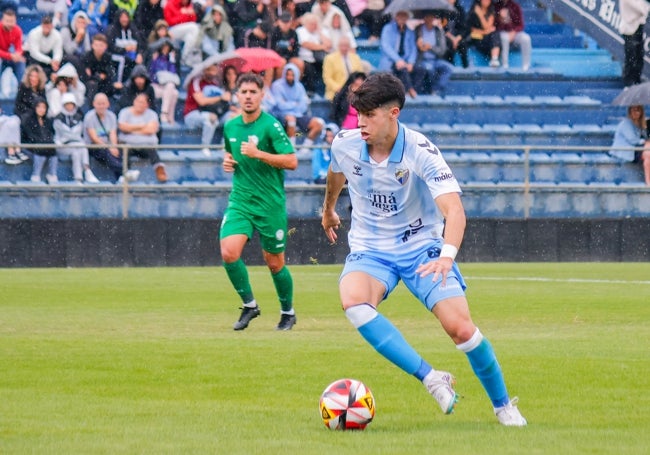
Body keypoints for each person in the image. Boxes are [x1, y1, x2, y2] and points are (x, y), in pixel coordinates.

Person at [320, 72, 527, 426]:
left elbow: (455, 211)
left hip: (421, 248)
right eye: (359, 115)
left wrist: (446, 256)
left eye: (369, 115)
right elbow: (337, 173)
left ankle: (503, 405)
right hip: (371, 248)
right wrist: (328, 210)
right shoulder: (345, 142)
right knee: (353, 302)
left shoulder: (420, 151)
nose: (362, 123)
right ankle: (431, 377)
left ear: (393, 113)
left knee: (460, 329)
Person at [220, 71, 298, 331]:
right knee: (229, 252)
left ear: (262, 96)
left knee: (274, 262)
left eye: (254, 92)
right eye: (244, 92)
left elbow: (291, 161)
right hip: (241, 200)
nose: (249, 97)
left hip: (269, 203)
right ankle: (250, 305)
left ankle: (288, 312)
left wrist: (258, 153)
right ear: (237, 96)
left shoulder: (271, 125)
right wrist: (228, 162)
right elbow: (231, 155)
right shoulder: (230, 126)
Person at [269, 63, 324, 157]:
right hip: (280, 116)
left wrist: (288, 103)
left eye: (292, 75)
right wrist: (295, 104)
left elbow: (303, 106)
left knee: (318, 124)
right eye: (288, 74)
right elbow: (280, 105)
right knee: (291, 120)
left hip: (298, 115)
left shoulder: (300, 87)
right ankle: (291, 149)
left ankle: (305, 149)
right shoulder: (277, 86)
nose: (290, 77)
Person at [84, 92, 140, 183]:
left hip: (108, 144)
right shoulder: (89, 117)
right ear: (94, 104)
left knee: (122, 150)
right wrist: (109, 147)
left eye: (103, 103)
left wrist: (114, 146)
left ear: (108, 104)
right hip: (94, 147)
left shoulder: (111, 116)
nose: (101, 106)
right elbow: (94, 137)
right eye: (99, 104)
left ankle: (121, 177)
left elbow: (112, 134)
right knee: (106, 151)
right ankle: (124, 171)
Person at [117, 92, 168, 182]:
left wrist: (131, 129)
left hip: (146, 146)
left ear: (147, 104)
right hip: (128, 145)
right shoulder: (124, 112)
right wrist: (143, 126)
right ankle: (126, 173)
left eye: (142, 102)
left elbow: (151, 130)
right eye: (138, 101)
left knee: (152, 151)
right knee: (124, 151)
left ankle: (160, 170)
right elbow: (122, 127)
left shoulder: (152, 114)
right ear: (134, 101)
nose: (139, 104)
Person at [53, 92, 100, 184]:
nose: (70, 106)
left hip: (77, 146)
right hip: (63, 146)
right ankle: (85, 172)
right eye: (67, 104)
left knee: (78, 151)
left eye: (71, 104)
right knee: (80, 147)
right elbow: (61, 135)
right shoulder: (58, 118)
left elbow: (79, 134)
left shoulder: (79, 117)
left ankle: (81, 175)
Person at [183, 62, 228, 156]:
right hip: (192, 114)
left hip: (211, 113)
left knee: (231, 118)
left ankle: (224, 147)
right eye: (210, 70)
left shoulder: (215, 84)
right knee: (210, 118)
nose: (212, 73)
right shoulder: (196, 82)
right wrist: (220, 97)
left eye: (214, 70)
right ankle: (204, 147)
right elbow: (201, 101)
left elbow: (220, 102)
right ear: (204, 70)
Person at [379, 10, 419, 99]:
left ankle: (413, 90)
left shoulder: (409, 31)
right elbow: (386, 46)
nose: (402, 18)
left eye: (404, 16)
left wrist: (411, 62)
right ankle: (410, 89)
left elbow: (413, 48)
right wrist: (397, 59)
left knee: (421, 69)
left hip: (405, 60)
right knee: (401, 69)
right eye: (400, 16)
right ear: (396, 17)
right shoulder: (388, 28)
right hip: (391, 59)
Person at [413, 12, 454, 95]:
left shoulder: (438, 31)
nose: (429, 19)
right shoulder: (418, 30)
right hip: (421, 60)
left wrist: (430, 47)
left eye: (431, 17)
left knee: (449, 68)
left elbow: (442, 51)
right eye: (427, 17)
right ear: (424, 18)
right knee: (429, 69)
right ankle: (427, 90)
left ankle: (436, 89)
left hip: (435, 60)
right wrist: (418, 46)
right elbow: (412, 47)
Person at [610, 105, 650, 186]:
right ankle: (648, 182)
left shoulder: (639, 124)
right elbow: (633, 140)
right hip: (626, 151)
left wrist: (644, 128)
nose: (636, 113)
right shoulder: (626, 123)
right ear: (630, 112)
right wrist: (645, 141)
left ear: (641, 112)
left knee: (647, 153)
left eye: (638, 110)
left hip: (635, 149)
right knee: (647, 153)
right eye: (633, 110)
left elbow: (643, 138)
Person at [22, 98, 58, 184]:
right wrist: (43, 142)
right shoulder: (28, 120)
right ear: (35, 107)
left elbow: (51, 134)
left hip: (45, 146)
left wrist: (46, 142)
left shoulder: (48, 121)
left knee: (52, 150)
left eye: (44, 107)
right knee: (41, 150)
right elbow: (30, 137)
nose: (41, 110)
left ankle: (52, 174)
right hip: (29, 146)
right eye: (39, 107)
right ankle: (36, 174)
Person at [105, 8, 145, 84]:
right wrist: (124, 49)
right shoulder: (112, 30)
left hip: (132, 56)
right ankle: (118, 82)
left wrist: (139, 54)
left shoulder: (133, 29)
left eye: (126, 17)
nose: (124, 19)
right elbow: (111, 46)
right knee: (124, 61)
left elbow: (140, 44)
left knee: (139, 62)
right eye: (122, 17)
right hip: (117, 56)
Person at [296, 12, 332, 96]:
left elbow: (329, 44)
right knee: (309, 69)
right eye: (311, 24)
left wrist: (319, 32)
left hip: (319, 59)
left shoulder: (319, 31)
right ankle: (310, 92)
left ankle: (326, 92)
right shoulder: (301, 31)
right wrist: (322, 47)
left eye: (315, 23)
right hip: (305, 58)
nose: (313, 25)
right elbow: (306, 44)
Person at [147, 38, 180, 126]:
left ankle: (169, 116)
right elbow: (150, 73)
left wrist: (172, 61)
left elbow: (173, 73)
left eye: (167, 48)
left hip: (167, 87)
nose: (165, 50)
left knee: (174, 92)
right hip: (155, 86)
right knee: (171, 88)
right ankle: (164, 114)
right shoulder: (155, 58)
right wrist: (153, 60)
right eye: (164, 47)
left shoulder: (170, 60)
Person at [81, 33, 123, 101]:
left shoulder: (107, 57)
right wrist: (99, 76)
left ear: (105, 46)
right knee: (92, 85)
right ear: (92, 46)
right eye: (96, 45)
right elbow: (86, 76)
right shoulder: (87, 57)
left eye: (101, 45)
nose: (98, 48)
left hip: (104, 83)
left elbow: (110, 73)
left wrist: (103, 76)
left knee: (117, 87)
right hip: (89, 83)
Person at [322, 35, 364, 101]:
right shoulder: (329, 58)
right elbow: (327, 78)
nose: (344, 48)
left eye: (346, 45)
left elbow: (360, 76)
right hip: (337, 93)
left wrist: (355, 87)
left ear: (349, 46)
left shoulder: (355, 57)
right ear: (338, 46)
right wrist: (340, 89)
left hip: (354, 92)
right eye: (342, 45)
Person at [619, 0, 650, 87]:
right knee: (632, 57)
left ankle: (636, 81)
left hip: (638, 26)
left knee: (638, 56)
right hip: (629, 29)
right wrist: (646, 9)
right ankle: (629, 83)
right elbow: (641, 7)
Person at [494, 0, 532, 71]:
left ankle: (526, 65)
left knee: (526, 38)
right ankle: (504, 64)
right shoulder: (496, 7)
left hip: (515, 33)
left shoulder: (515, 6)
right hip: (501, 32)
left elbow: (521, 25)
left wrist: (514, 32)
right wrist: (500, 18)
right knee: (504, 38)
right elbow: (494, 26)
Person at [163, 0, 201, 66]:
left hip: (185, 30)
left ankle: (184, 58)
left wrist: (190, 13)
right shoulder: (170, 4)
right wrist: (184, 14)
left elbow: (193, 19)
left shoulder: (189, 5)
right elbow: (169, 21)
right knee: (194, 27)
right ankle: (187, 56)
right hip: (171, 30)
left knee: (190, 37)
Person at [25, 14, 63, 79]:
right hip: (33, 57)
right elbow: (34, 53)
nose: (46, 28)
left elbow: (58, 50)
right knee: (33, 65)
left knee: (61, 63)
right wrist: (49, 61)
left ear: (52, 25)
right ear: (42, 25)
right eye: (45, 25)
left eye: (48, 25)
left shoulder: (57, 35)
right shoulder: (34, 33)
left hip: (48, 56)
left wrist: (56, 60)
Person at [467, 0, 501, 67]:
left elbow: (487, 26)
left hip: (487, 40)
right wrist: (484, 32)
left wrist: (480, 14)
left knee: (495, 34)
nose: (486, 1)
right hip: (476, 39)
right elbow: (470, 30)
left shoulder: (491, 10)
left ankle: (494, 59)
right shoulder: (473, 12)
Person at [0, 8, 25, 94]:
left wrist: (18, 55)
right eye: (7, 21)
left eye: (12, 21)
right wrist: (11, 56)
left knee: (21, 62)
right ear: (2, 20)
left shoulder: (17, 30)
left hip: (11, 58)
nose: (10, 24)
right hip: (3, 57)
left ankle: (22, 92)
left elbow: (19, 47)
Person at [60, 10, 92, 77]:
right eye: (79, 22)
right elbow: (68, 51)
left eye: (83, 23)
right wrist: (77, 38)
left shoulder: (85, 32)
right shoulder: (65, 31)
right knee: (75, 59)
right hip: (65, 58)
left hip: (79, 58)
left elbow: (88, 50)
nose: (80, 25)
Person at [443, 0, 469, 68]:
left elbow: (464, 28)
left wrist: (457, 39)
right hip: (445, 36)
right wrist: (452, 38)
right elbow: (442, 28)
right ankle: (450, 66)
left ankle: (465, 67)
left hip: (457, 36)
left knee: (462, 44)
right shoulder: (442, 9)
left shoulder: (460, 10)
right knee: (448, 44)